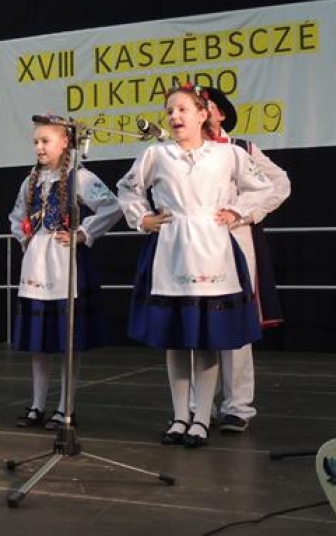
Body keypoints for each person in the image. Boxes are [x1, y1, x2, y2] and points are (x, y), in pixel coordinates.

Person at [116, 83, 273, 448]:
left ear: (203, 115)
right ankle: (179, 415)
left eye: (183, 109)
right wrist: (143, 218)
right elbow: (127, 188)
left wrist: (236, 211)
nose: (174, 116)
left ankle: (202, 417)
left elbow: (263, 187)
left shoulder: (228, 154)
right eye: (170, 110)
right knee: (175, 339)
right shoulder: (157, 154)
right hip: (171, 248)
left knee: (207, 338)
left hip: (212, 250)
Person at [9, 115, 122, 430]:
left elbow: (112, 206)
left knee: (66, 341)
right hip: (37, 265)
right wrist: (26, 239)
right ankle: (37, 404)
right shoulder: (30, 181)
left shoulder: (80, 177)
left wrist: (82, 233)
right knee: (39, 342)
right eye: (36, 142)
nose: (39, 147)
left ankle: (64, 406)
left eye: (45, 141)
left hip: (65, 264)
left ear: (64, 142)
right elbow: (17, 215)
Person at [201, 87, 291, 433]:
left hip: (236, 240)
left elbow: (279, 183)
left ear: (221, 113)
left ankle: (237, 406)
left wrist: (248, 214)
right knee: (200, 322)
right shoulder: (184, 154)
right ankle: (199, 407)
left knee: (236, 321)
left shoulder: (243, 149)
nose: (202, 112)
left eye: (207, 106)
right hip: (197, 244)